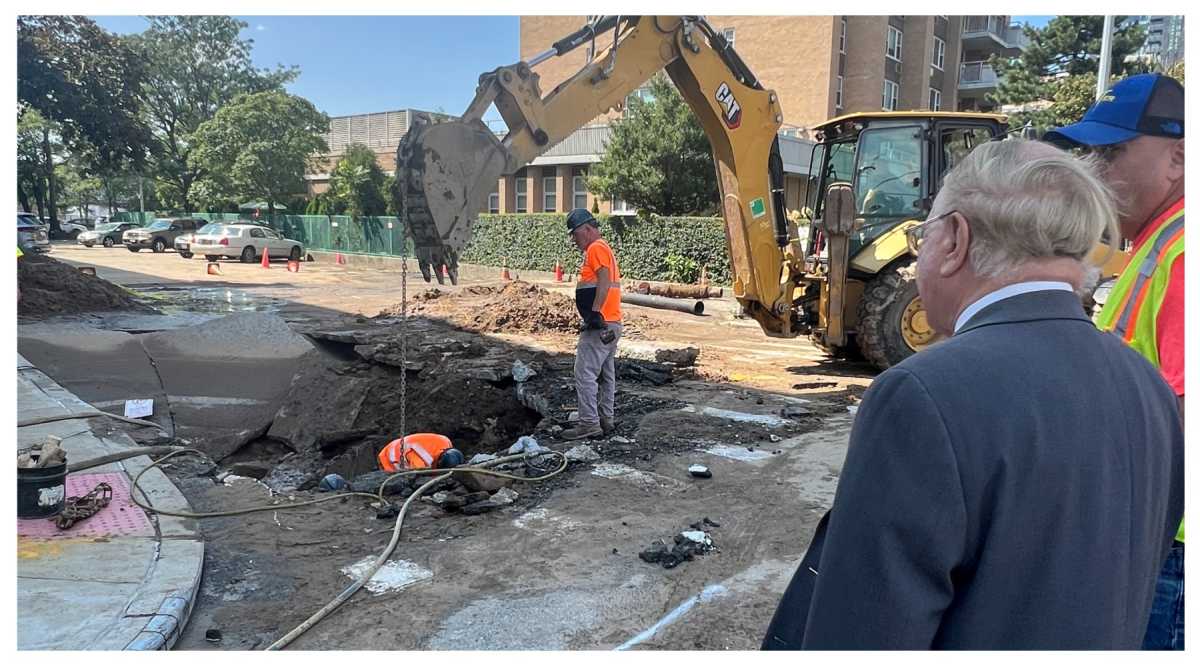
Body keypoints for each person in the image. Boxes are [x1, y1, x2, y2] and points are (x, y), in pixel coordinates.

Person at [762, 139, 1183, 649]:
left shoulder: (924, 395)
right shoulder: (1151, 393)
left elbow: (862, 632)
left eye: (924, 236)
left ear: (955, 240)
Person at [1044, 73, 1185, 650]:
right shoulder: (1159, 243)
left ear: (1177, 158)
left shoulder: (1183, 253)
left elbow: (1177, 416)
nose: (1093, 172)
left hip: (1167, 545)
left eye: (1111, 153)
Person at [561, 208, 622, 440]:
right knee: (606, 374)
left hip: (601, 323)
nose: (574, 240)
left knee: (584, 372)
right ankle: (606, 419)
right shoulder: (605, 248)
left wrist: (594, 313)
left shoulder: (595, 248)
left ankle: (589, 423)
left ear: (587, 229)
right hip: (612, 323)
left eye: (575, 235)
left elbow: (604, 281)